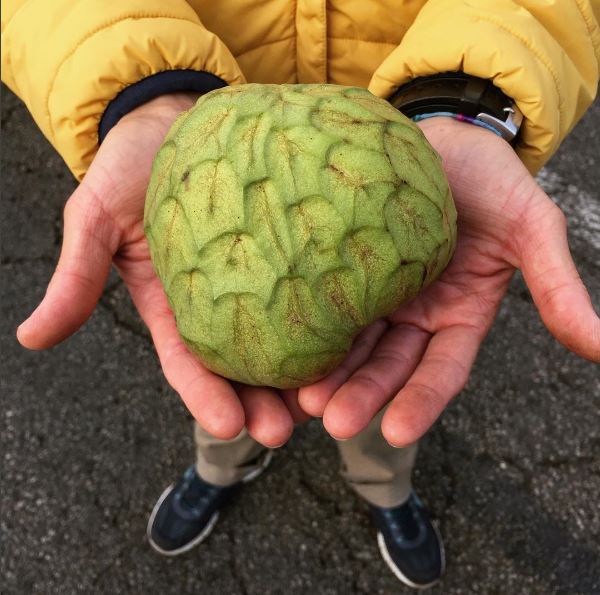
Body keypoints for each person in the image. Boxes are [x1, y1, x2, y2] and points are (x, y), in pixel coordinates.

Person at [3, 0, 599, 589]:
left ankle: (384, 489)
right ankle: (221, 466)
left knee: (389, 395)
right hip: (208, 124)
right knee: (228, 396)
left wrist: (462, 95)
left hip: (396, 117)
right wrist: (141, 89)